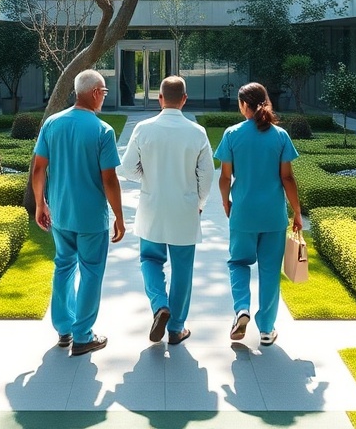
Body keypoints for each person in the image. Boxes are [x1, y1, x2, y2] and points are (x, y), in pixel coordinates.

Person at [32, 69, 125, 356]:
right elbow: (109, 179)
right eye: (104, 92)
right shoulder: (102, 130)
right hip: (91, 218)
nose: (104, 97)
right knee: (91, 272)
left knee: (63, 266)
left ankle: (64, 330)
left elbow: (38, 168)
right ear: (95, 92)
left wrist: (40, 204)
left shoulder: (52, 123)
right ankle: (83, 335)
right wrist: (120, 217)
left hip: (61, 214)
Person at [119, 75, 214, 346]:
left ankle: (160, 304)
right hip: (185, 208)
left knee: (150, 260)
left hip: (153, 206)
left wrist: (146, 177)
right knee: (183, 269)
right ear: (184, 99)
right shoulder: (197, 132)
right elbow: (206, 176)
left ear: (159, 98)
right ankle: (176, 328)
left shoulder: (143, 129)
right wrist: (200, 204)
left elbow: (126, 168)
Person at [215, 82, 303, 346]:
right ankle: (266, 329)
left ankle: (242, 309)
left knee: (238, 263)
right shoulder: (280, 136)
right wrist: (297, 211)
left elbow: (225, 177)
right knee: (269, 271)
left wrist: (225, 202)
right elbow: (287, 178)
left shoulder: (232, 134)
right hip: (273, 216)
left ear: (244, 105)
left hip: (243, 212)